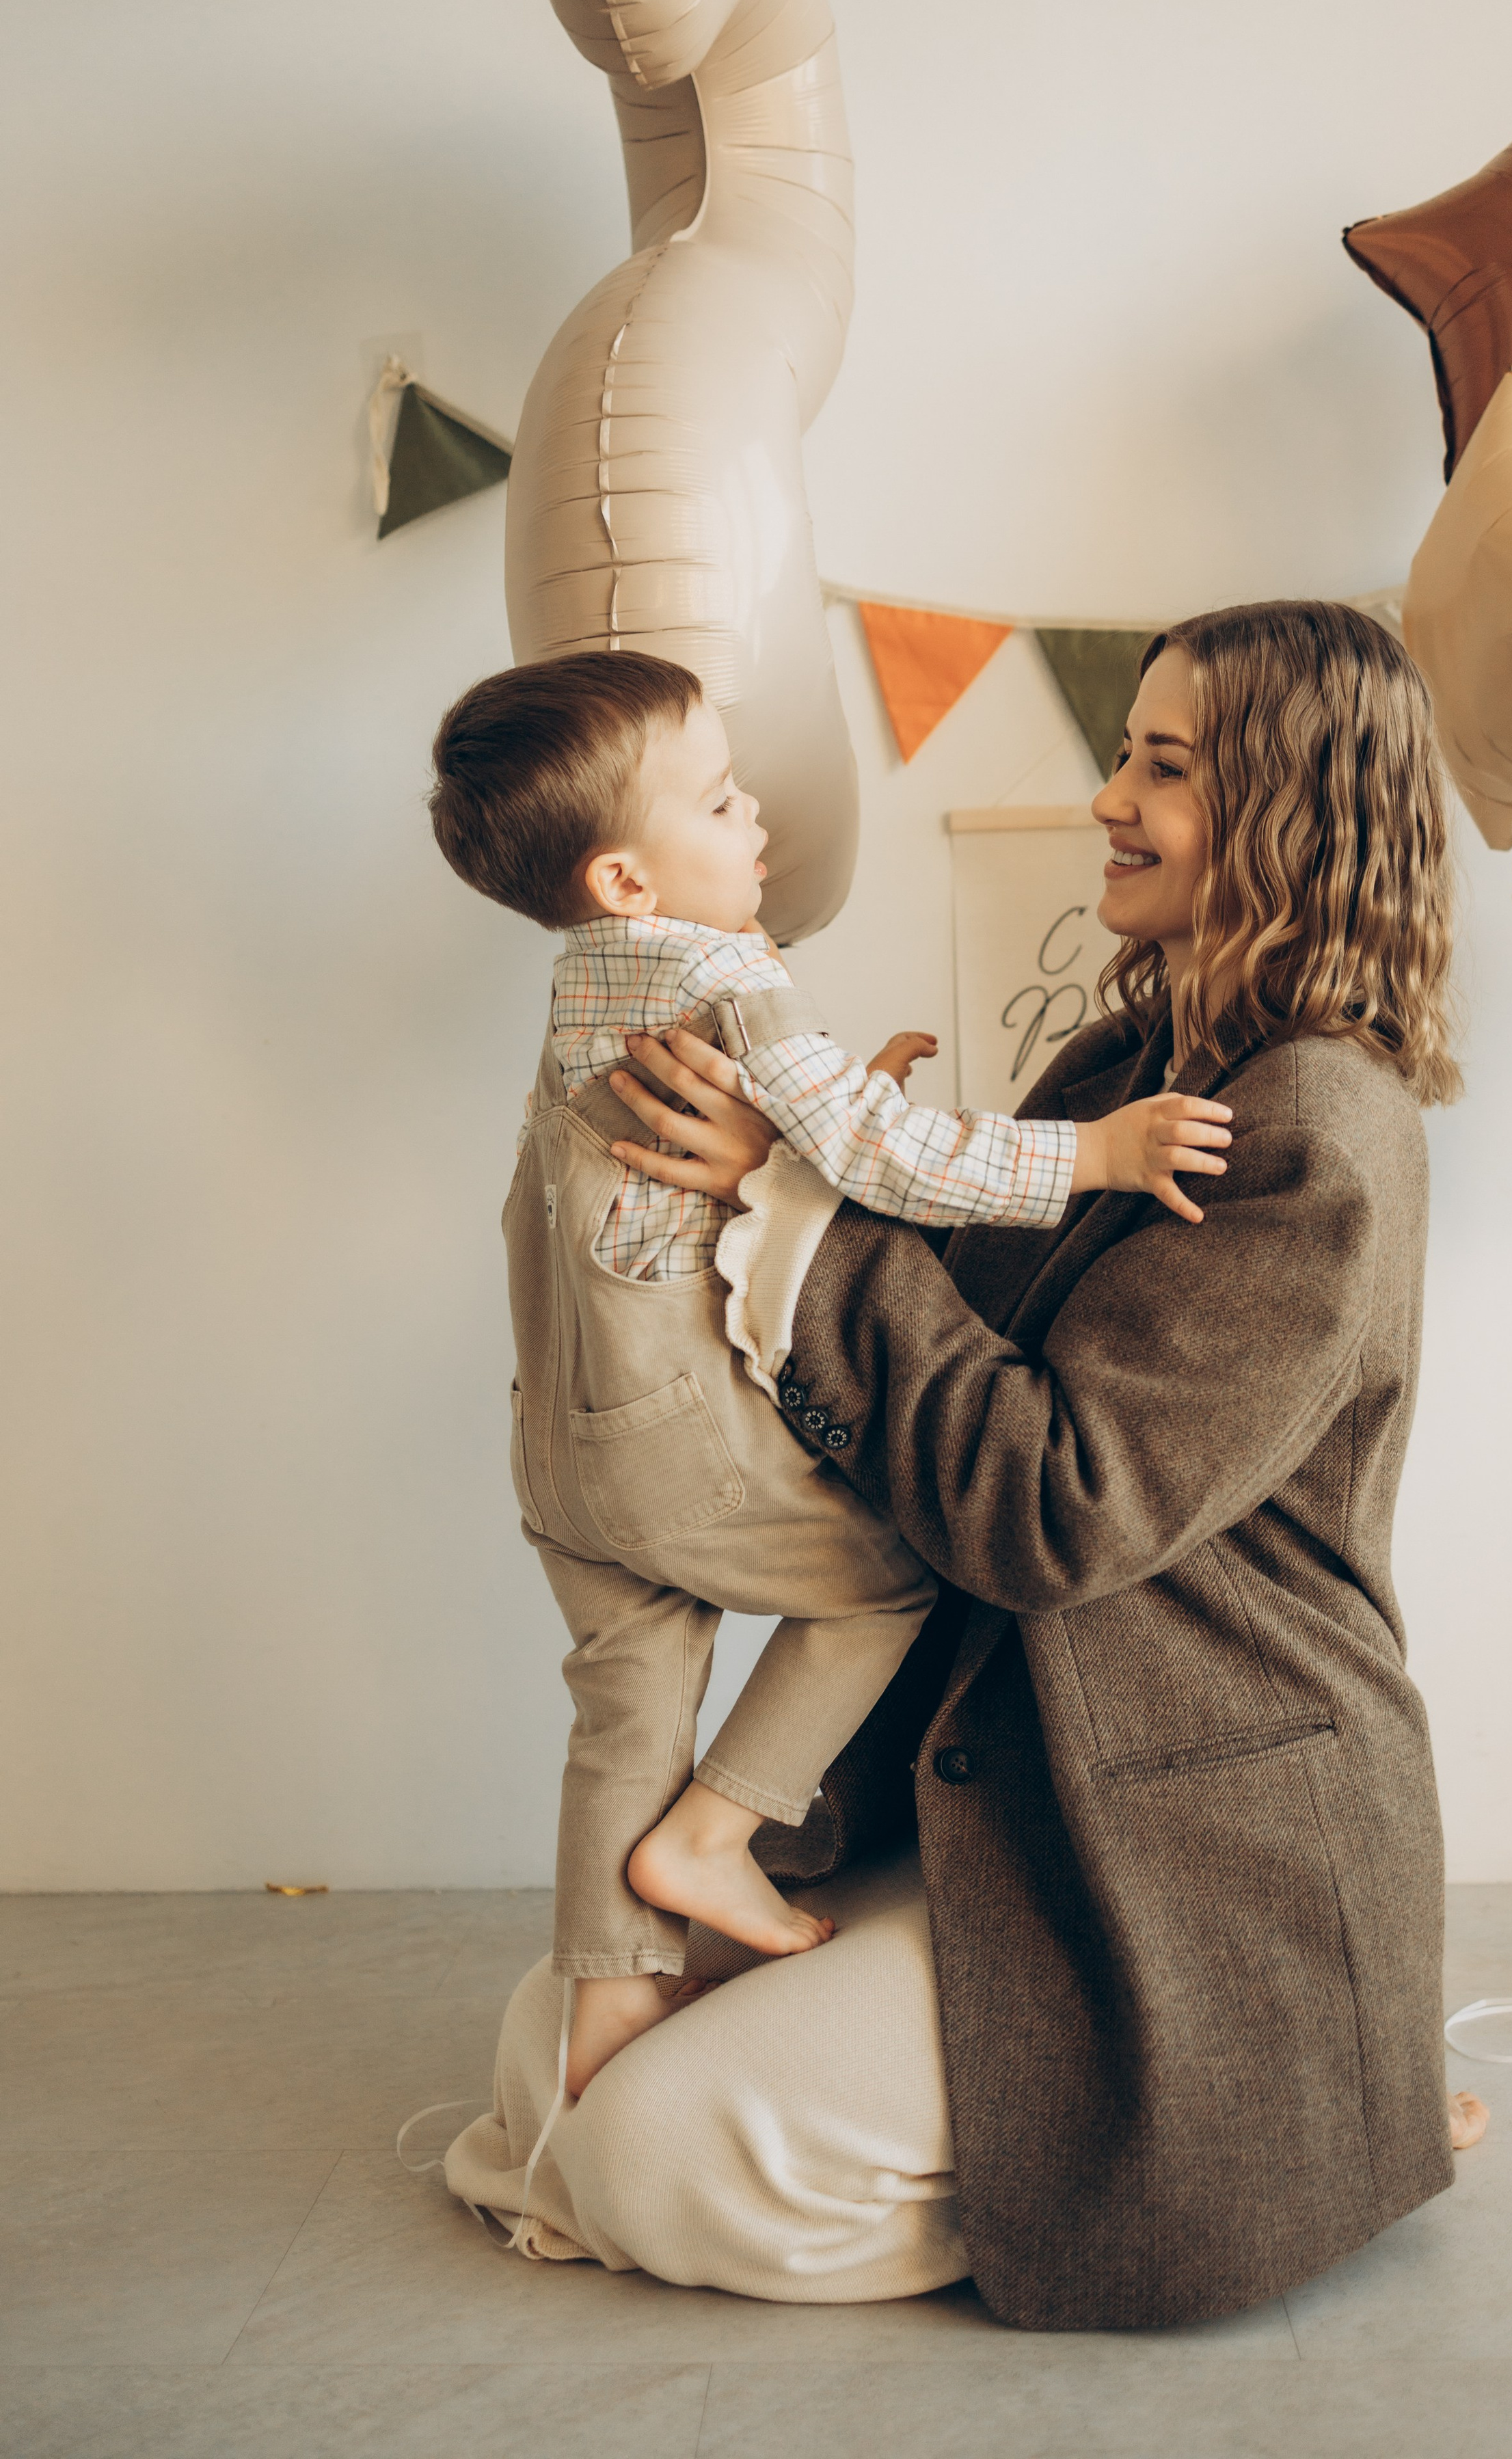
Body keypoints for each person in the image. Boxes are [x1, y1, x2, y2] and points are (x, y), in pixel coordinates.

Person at [447, 598, 1489, 2330]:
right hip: (996, 1756)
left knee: (644, 2157)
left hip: (1177, 1808)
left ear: (1290, 813)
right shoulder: (1126, 1065)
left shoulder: (1317, 1133)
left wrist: (781, 1200)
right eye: (1124, 750)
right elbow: (946, 1344)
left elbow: (1049, 1502)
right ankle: (1291, 2112)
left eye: (1161, 764)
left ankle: (1277, 2135)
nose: (1106, 795)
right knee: (552, 2049)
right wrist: (816, 1171)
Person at [427, 648, 1233, 2095]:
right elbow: (879, 1163)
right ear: (625, 876)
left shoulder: (592, 976)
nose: (755, 827)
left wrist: (844, 1088)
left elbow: (773, 1141)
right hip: (670, 1437)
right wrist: (1094, 1155)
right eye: (723, 803)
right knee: (891, 1576)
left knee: (624, 1697)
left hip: (556, 1441)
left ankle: (604, 2023)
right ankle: (714, 1829)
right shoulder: (732, 974)